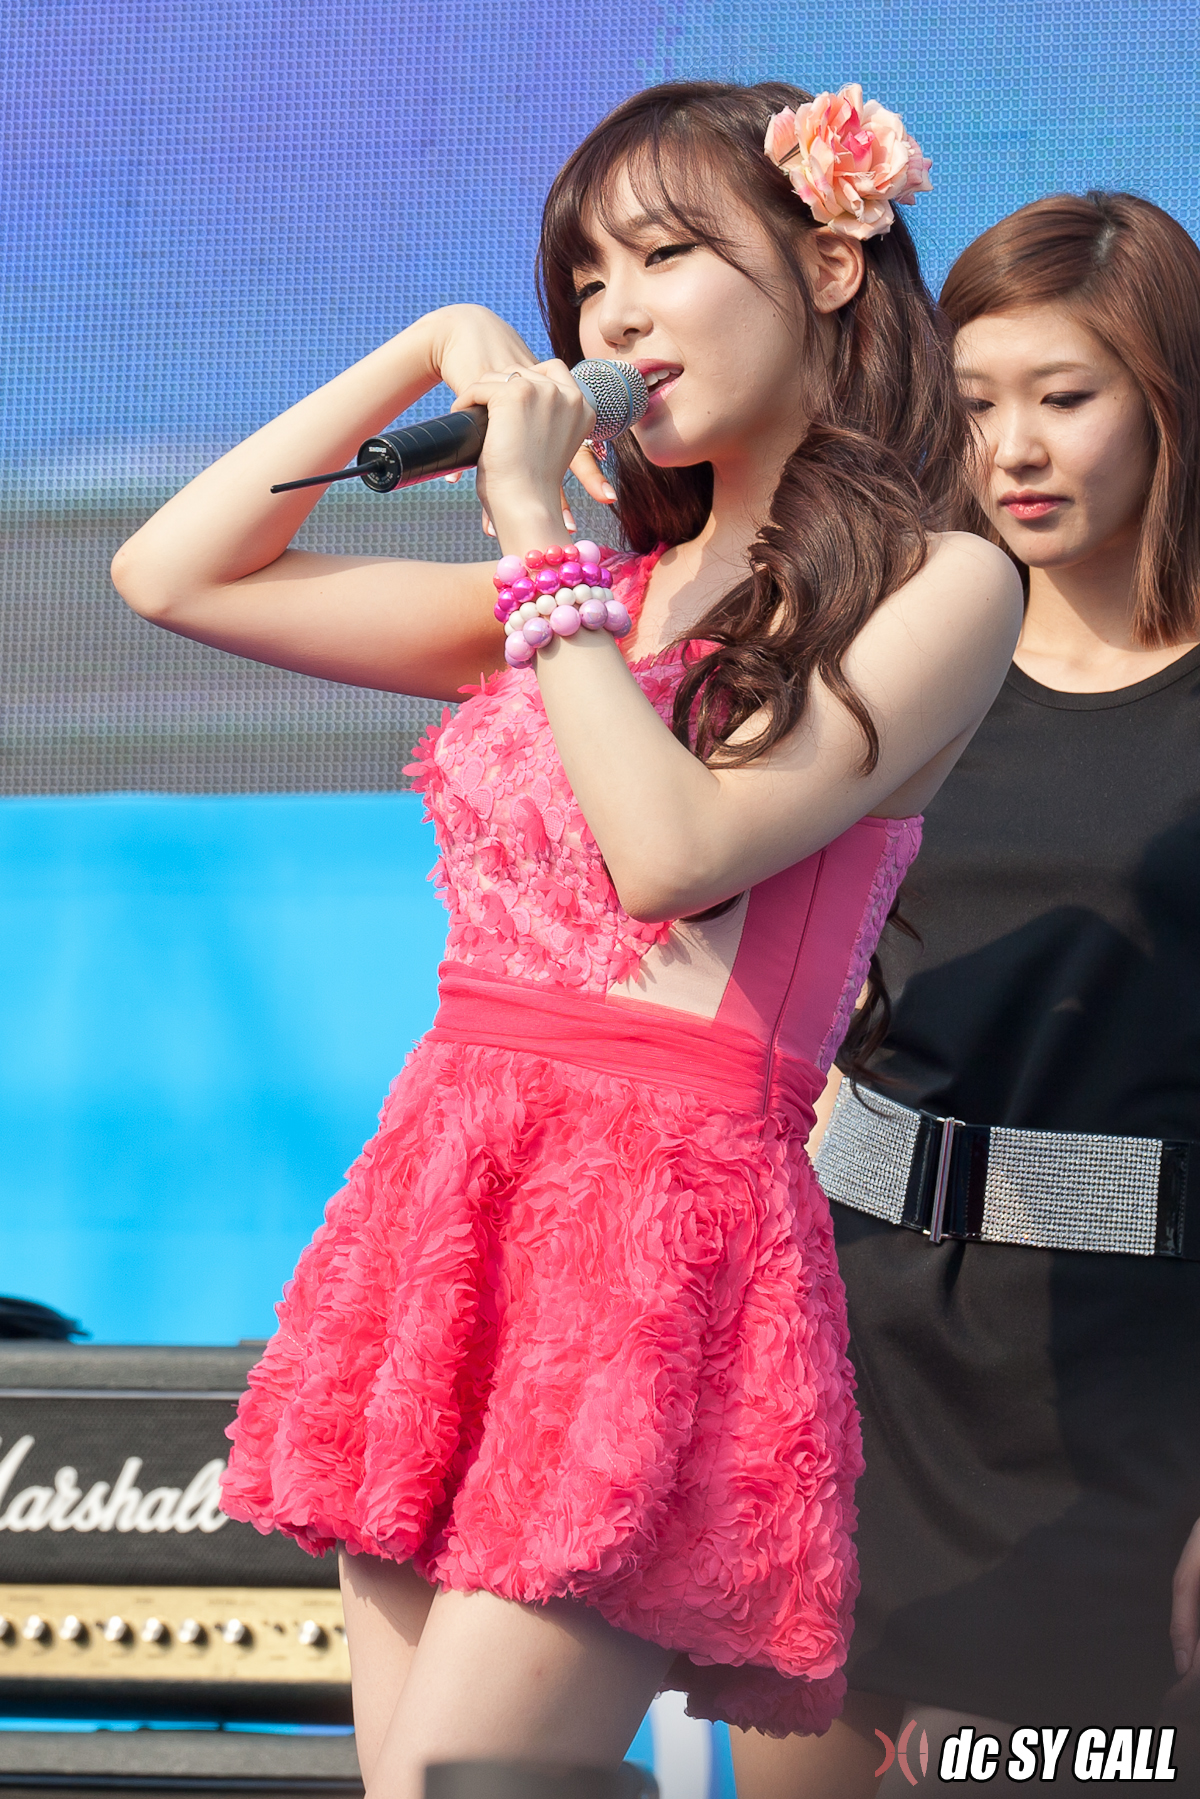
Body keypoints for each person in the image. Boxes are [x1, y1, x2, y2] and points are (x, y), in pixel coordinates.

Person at [111, 81, 1019, 1799]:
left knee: (471, 1784)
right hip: (455, 1195)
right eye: (585, 282)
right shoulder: (606, 604)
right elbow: (174, 575)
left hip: (653, 1229)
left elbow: (677, 853)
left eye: (667, 257)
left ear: (833, 265)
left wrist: (543, 545)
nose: (614, 317)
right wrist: (432, 340)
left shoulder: (943, 582)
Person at [730, 190, 1200, 1799]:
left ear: (1171, 400)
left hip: (1133, 1390)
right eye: (979, 399)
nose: (1015, 449)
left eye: (1065, 397)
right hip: (852, 1350)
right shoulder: (898, 654)